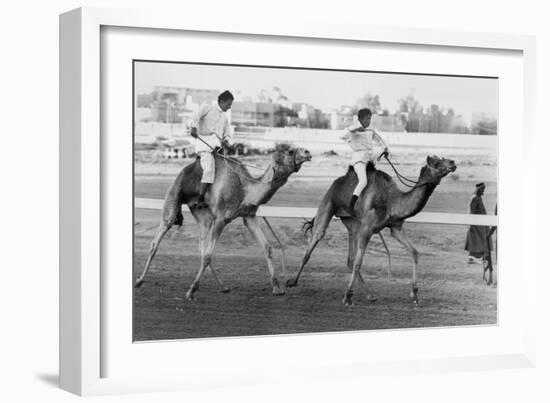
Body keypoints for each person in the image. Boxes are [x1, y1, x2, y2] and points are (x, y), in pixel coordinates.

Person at [189, 90, 234, 209]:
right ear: (222, 101)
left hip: (218, 148)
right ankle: (200, 200)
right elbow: (195, 116)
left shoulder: (224, 118)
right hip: (204, 146)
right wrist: (193, 127)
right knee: (209, 170)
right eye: (229, 104)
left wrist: (226, 140)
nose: (229, 107)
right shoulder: (207, 108)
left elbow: (228, 133)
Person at [340, 108, 389, 212]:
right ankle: (350, 206)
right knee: (363, 181)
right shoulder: (354, 127)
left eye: (370, 118)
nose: (369, 121)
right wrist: (354, 129)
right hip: (359, 160)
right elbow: (342, 136)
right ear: (361, 119)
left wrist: (385, 148)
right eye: (367, 119)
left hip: (370, 160)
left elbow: (378, 139)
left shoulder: (370, 129)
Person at [465, 182, 492, 263]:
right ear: (479, 190)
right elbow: (472, 212)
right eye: (482, 189)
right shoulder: (475, 198)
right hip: (476, 224)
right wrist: (471, 224)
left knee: (484, 240)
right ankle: (472, 259)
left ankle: (484, 258)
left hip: (482, 224)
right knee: (476, 240)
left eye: (484, 189)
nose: (483, 191)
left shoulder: (479, 198)